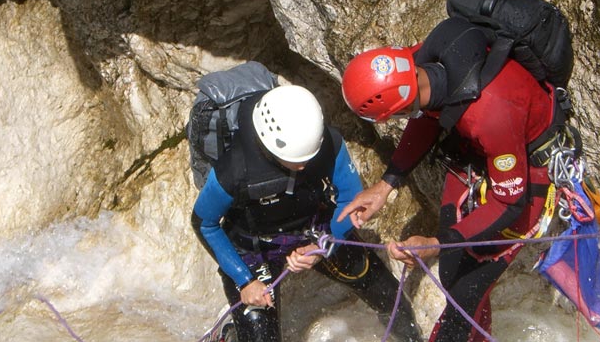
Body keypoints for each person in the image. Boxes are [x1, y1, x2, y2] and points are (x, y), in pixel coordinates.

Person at [337, 17, 560, 341]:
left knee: (466, 293)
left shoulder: (489, 114)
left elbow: (509, 201)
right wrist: (386, 185)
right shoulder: (418, 62)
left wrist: (436, 243)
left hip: (522, 174)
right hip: (475, 154)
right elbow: (426, 112)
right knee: (452, 270)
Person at [191, 84, 422, 342]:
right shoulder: (233, 170)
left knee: (392, 298)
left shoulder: (327, 143)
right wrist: (245, 281)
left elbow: (350, 197)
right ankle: (231, 334)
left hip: (315, 231)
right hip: (254, 248)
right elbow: (205, 223)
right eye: (296, 160)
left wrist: (320, 246)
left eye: (309, 157)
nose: (304, 165)